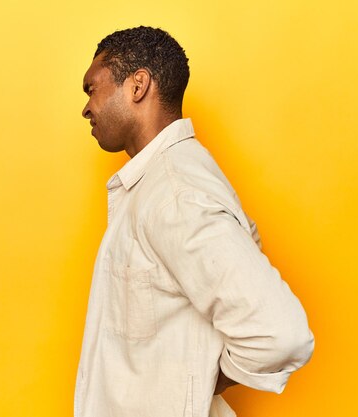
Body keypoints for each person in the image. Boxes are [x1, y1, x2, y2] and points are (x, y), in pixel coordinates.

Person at [75, 26, 314, 417]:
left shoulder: (176, 192)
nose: (86, 107)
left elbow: (282, 335)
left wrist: (199, 380)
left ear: (138, 86)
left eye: (92, 89)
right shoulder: (159, 185)